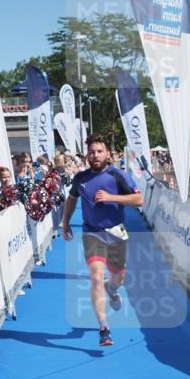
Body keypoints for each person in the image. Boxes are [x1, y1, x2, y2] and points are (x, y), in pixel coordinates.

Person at [61, 135, 142, 347]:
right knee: (96, 276)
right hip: (92, 233)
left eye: (99, 151)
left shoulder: (117, 175)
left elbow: (138, 199)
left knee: (118, 278)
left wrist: (111, 197)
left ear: (107, 154)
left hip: (116, 232)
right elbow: (71, 199)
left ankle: (112, 288)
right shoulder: (81, 178)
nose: (95, 155)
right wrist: (65, 222)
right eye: (92, 151)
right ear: (87, 154)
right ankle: (104, 328)